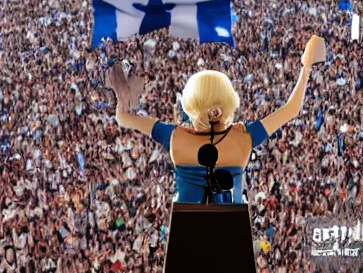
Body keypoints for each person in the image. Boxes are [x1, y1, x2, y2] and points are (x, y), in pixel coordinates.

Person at [110, 35, 326, 203]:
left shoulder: (175, 137)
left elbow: (122, 117)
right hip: (232, 232)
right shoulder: (244, 138)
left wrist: (121, 88)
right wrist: (306, 67)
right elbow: (291, 109)